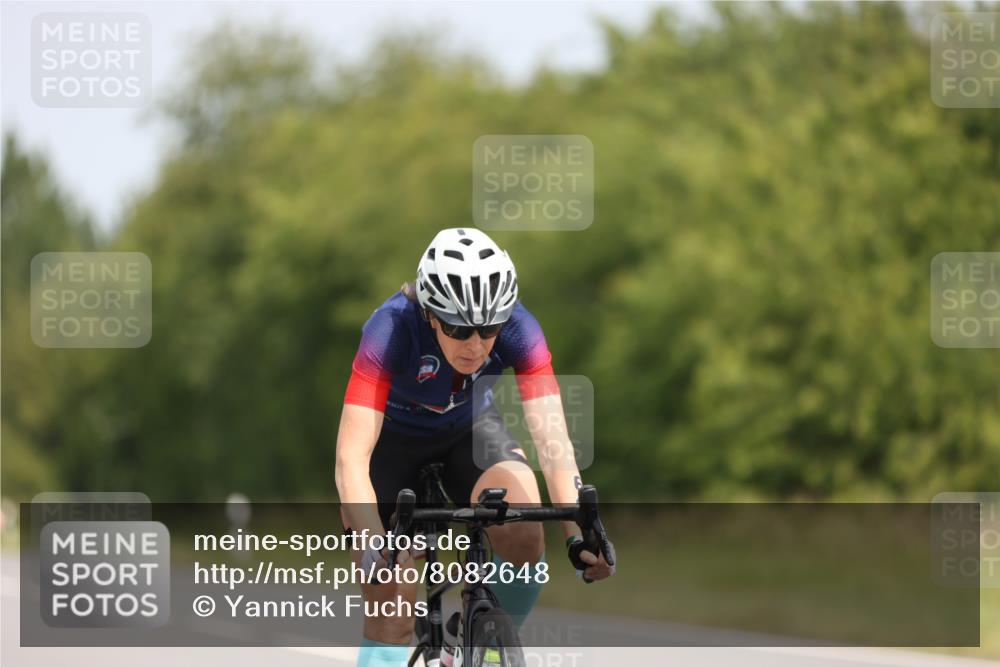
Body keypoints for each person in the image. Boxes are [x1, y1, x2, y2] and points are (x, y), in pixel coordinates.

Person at [335, 228, 614, 667]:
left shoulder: (520, 328)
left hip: (469, 431)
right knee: (391, 606)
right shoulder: (389, 329)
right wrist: (375, 545)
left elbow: (553, 439)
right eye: (459, 328)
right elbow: (351, 457)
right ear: (430, 314)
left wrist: (579, 533)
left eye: (488, 329)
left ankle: (482, 645)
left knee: (524, 532)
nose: (476, 344)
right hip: (391, 445)